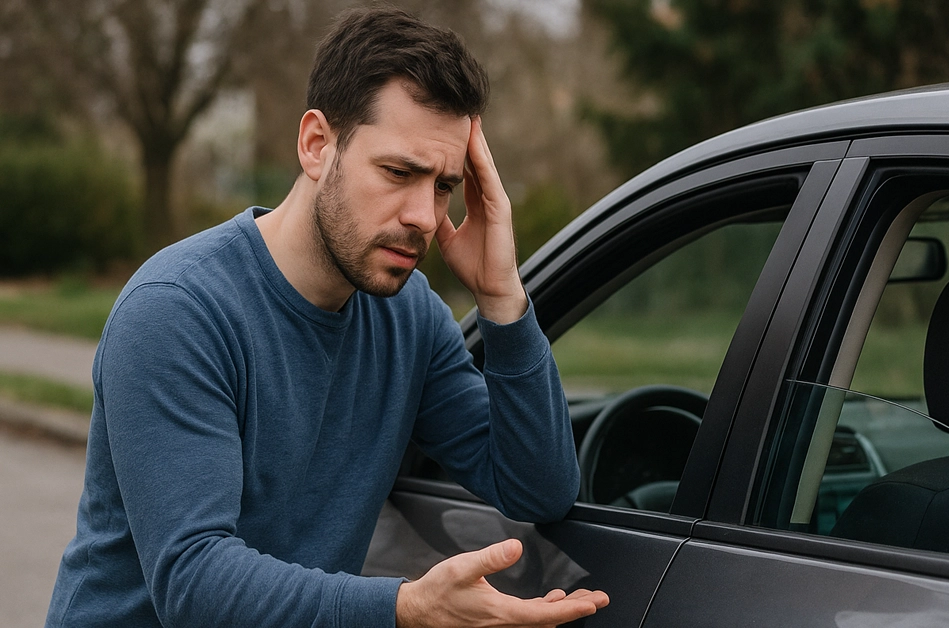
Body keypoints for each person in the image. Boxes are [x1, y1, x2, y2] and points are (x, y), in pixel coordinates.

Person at [45, 7, 608, 628]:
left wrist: (502, 299)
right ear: (318, 144)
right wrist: (404, 607)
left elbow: (538, 489)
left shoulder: (410, 317)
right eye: (399, 172)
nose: (424, 214)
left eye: (444, 185)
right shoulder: (178, 311)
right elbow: (193, 580)